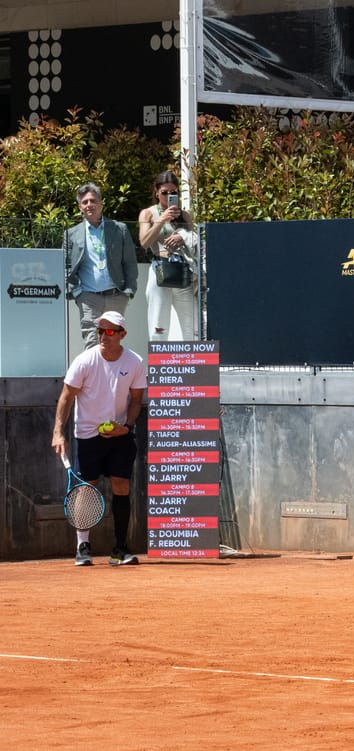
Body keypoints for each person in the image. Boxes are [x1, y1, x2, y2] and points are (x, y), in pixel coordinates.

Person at [52, 310, 147, 567]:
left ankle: (120, 549)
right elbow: (66, 397)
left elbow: (137, 401)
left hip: (119, 435)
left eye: (110, 331)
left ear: (122, 334)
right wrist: (58, 432)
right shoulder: (84, 361)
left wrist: (125, 427)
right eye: (100, 330)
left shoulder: (135, 362)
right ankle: (83, 548)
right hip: (87, 435)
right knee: (86, 489)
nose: (104, 336)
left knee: (121, 486)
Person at [65, 182, 139, 348]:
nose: (89, 205)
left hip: (116, 296)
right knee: (92, 343)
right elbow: (66, 267)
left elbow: (130, 263)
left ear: (101, 203)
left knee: (112, 343)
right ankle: (93, 375)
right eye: (85, 202)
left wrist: (129, 291)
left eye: (93, 200)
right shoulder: (71, 234)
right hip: (88, 297)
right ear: (80, 207)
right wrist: (76, 292)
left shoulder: (119, 229)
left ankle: (112, 375)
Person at [138, 170, 198, 340]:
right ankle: (159, 364)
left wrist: (182, 236)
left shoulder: (184, 215)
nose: (168, 196)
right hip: (161, 269)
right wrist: (161, 220)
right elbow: (144, 242)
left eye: (173, 193)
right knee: (159, 324)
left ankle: (193, 362)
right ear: (157, 192)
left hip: (182, 270)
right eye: (164, 193)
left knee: (192, 323)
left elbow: (194, 241)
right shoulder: (148, 213)